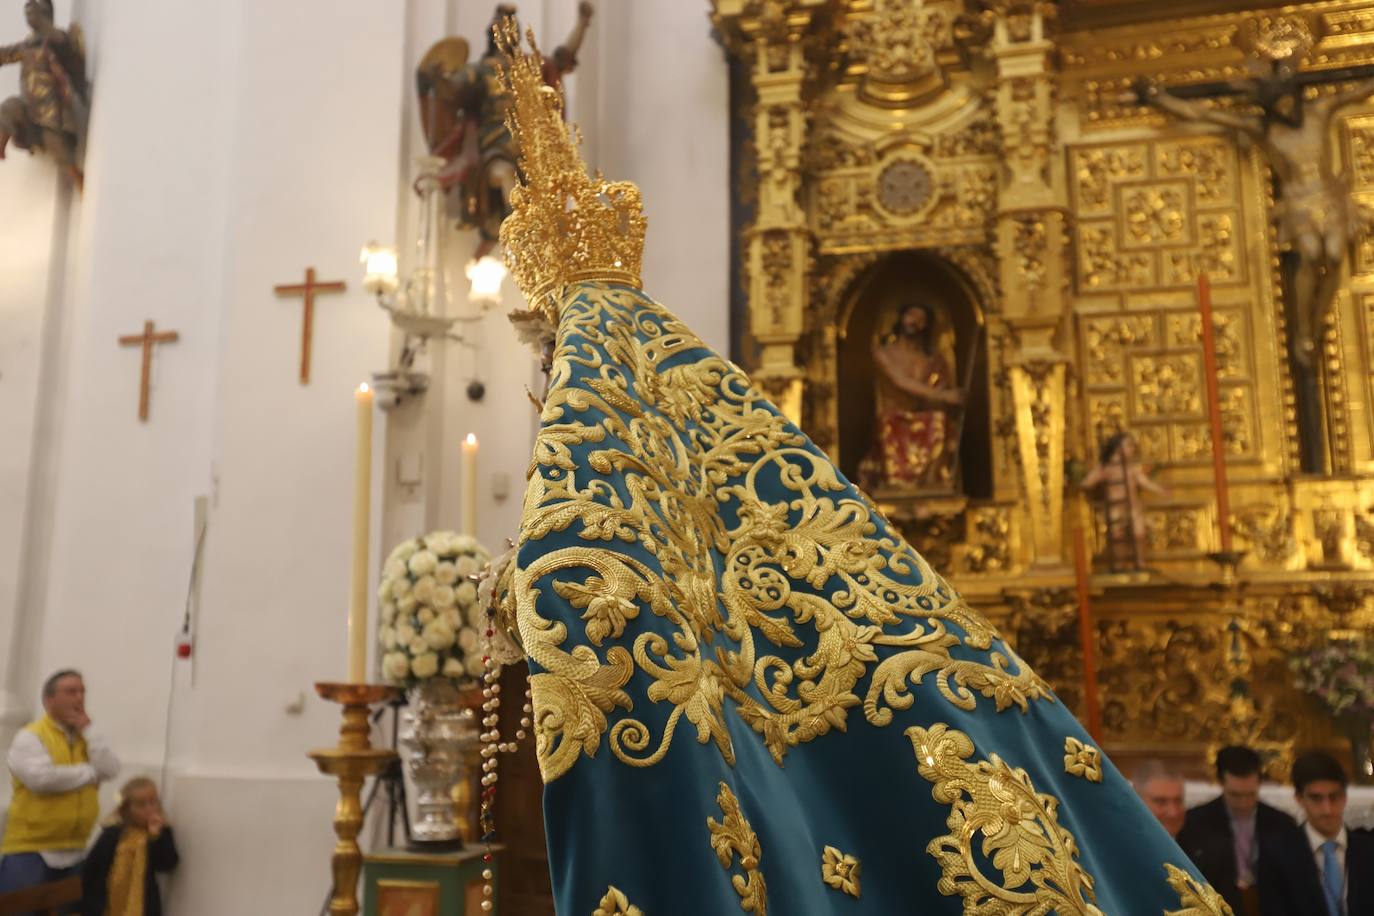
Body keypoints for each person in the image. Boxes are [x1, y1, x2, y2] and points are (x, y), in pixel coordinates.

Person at [0, 670, 120, 897]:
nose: (79, 698)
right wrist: (91, 773)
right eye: (70, 691)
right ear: (49, 699)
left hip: (74, 848)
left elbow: (111, 769)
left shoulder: (87, 736)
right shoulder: (31, 736)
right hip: (31, 850)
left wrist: (90, 731)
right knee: (19, 910)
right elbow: (41, 779)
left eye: (82, 691)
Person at [1176, 745, 1304, 916]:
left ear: (1259, 783)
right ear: (1221, 783)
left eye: (1250, 794)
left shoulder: (1282, 823)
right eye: (1235, 795)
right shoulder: (1196, 822)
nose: (1244, 803)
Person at [865, 302, 964, 491]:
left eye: (921, 319)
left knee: (938, 420)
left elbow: (936, 392)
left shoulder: (931, 360)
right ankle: (896, 482)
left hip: (923, 416)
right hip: (893, 417)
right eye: (911, 315)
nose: (915, 322)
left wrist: (947, 396)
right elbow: (899, 381)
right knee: (888, 422)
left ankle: (932, 483)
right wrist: (944, 396)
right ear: (900, 318)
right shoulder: (883, 352)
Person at [1278, 750, 1374, 916]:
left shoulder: (1368, 850)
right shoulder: (1279, 855)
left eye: (1334, 797)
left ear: (1344, 797)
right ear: (1299, 798)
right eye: (1316, 798)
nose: (1327, 809)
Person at [80, 777, 179, 916]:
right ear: (127, 809)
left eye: (153, 802)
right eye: (141, 805)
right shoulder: (113, 833)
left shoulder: (161, 833)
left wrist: (156, 837)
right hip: (108, 903)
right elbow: (91, 868)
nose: (150, 809)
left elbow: (167, 863)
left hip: (141, 905)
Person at [1080, 431, 1169, 570]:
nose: (1132, 449)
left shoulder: (1131, 468)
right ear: (1117, 447)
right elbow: (1089, 481)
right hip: (1116, 507)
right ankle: (1119, 563)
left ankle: (1139, 561)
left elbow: (1144, 482)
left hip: (1132, 507)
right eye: (1129, 446)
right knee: (1117, 536)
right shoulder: (1105, 467)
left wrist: (1159, 489)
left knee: (1139, 533)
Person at [1132, 759, 1187, 838]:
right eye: (1161, 802)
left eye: (1178, 801)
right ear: (1137, 803)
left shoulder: (1198, 842)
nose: (1173, 813)